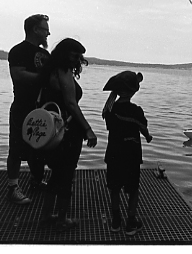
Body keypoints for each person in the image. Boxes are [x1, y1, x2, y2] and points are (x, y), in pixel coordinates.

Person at [38, 38, 97, 231]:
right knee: (65, 175)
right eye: (75, 55)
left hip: (54, 130)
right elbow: (71, 104)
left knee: (56, 174)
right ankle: (62, 220)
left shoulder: (50, 70)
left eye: (80, 56)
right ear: (65, 53)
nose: (78, 59)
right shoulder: (63, 72)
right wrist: (88, 129)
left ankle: (46, 216)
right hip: (67, 131)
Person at [7, 14, 51, 204]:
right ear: (35, 29)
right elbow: (18, 75)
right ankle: (13, 188)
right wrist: (44, 79)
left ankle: (36, 180)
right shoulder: (18, 51)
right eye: (45, 29)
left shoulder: (47, 55)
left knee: (40, 146)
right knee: (16, 148)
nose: (48, 32)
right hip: (22, 107)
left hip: (41, 108)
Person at [102, 71, 152, 236]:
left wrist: (114, 93)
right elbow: (143, 129)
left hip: (114, 153)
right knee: (133, 189)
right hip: (131, 155)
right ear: (134, 91)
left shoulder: (110, 109)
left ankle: (115, 221)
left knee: (114, 188)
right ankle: (130, 222)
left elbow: (108, 119)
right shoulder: (136, 110)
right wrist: (148, 136)